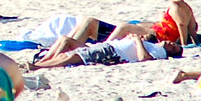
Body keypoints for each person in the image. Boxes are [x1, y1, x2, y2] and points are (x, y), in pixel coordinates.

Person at [99, 0, 197, 45]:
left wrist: (184, 44)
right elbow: (192, 26)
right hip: (164, 31)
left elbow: (182, 25)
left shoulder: (175, 6)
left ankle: (106, 45)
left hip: (163, 35)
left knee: (124, 26)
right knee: (138, 24)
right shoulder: (187, 7)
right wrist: (196, 41)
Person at [30, 34, 182, 69]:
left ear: (170, 53)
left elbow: (144, 58)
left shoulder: (160, 53)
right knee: (66, 40)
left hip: (111, 52)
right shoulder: (153, 44)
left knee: (73, 57)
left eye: (173, 47)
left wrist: (137, 41)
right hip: (108, 46)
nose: (170, 43)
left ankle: (39, 67)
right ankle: (39, 63)